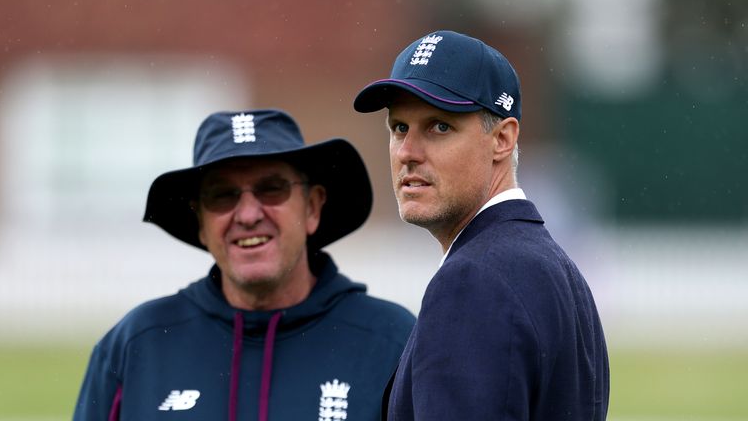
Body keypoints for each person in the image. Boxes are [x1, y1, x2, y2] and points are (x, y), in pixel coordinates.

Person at [73, 109, 416, 420]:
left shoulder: (391, 342)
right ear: (201, 224)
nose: (249, 215)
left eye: (272, 189)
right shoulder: (137, 345)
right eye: (222, 196)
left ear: (312, 207)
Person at [353, 30, 610, 420]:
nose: (407, 152)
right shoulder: (553, 268)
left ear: (503, 139)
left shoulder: (473, 280)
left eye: (439, 126)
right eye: (399, 128)